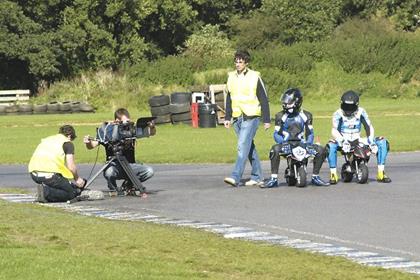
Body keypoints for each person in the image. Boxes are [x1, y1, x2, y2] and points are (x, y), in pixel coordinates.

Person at [262, 88, 330, 188]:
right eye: (285, 102)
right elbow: (276, 134)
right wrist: (282, 142)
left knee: (322, 150)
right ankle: (274, 179)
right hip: (287, 143)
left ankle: (315, 176)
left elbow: (310, 133)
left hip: (302, 143)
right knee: (274, 149)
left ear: (297, 102)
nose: (285, 104)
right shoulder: (280, 116)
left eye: (288, 102)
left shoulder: (307, 115)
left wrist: (309, 144)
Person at [223, 49, 271, 187]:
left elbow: (263, 98)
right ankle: (257, 176)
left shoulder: (255, 76)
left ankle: (235, 176)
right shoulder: (231, 77)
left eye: (240, 62)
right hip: (237, 117)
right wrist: (227, 117)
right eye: (236, 61)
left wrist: (266, 120)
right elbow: (229, 97)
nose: (237, 64)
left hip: (251, 116)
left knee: (242, 145)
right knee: (248, 147)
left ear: (246, 63)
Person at [326, 90, 391, 184]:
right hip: (343, 140)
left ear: (356, 105)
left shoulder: (361, 112)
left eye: (351, 106)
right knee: (330, 145)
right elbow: (334, 130)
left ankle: (381, 173)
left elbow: (368, 126)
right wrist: (343, 140)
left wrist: (371, 141)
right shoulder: (337, 114)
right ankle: (333, 174)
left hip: (358, 139)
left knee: (382, 141)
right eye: (346, 106)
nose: (348, 109)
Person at [84, 108, 155, 193]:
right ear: (117, 120)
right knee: (109, 172)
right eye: (125, 121)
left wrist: (152, 126)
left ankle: (129, 184)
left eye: (128, 121)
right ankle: (113, 188)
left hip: (130, 165)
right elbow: (92, 145)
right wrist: (87, 142)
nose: (127, 124)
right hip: (115, 165)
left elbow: (151, 133)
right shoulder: (107, 130)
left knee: (149, 171)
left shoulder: (131, 129)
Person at [29, 125, 86, 203]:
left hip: (34, 174)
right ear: (69, 136)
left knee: (63, 184)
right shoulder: (67, 143)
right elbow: (71, 166)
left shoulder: (47, 140)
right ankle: (46, 192)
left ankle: (45, 190)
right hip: (49, 175)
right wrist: (77, 179)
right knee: (71, 193)